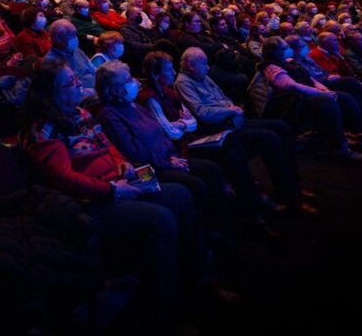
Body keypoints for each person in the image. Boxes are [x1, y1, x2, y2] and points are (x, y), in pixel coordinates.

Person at [21, 58, 230, 331]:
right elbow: (63, 179)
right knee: (161, 219)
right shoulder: (43, 129)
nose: (77, 86)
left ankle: (199, 280)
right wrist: (110, 190)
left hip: (119, 181)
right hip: (91, 202)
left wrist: (124, 163)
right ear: (51, 93)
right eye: (70, 83)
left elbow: (108, 147)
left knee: (180, 194)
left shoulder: (81, 115)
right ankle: (161, 314)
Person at [95, 60, 231, 234]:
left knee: (211, 169)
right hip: (147, 169)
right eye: (128, 80)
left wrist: (172, 156)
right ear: (114, 89)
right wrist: (168, 163)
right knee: (194, 185)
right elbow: (133, 152)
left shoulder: (134, 105)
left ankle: (223, 225)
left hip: (168, 159)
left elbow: (161, 132)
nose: (134, 82)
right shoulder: (109, 114)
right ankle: (208, 234)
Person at [173, 48, 312, 214]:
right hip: (220, 128)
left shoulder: (202, 76)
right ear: (190, 65)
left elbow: (223, 98)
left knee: (281, 127)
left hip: (233, 119)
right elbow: (203, 113)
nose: (208, 67)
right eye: (203, 64)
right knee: (269, 137)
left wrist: (231, 108)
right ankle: (288, 195)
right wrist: (230, 110)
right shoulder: (183, 83)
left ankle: (294, 183)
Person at [257, 37, 362, 161]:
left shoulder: (288, 61)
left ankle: (360, 135)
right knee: (327, 102)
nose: (288, 49)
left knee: (344, 97)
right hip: (294, 102)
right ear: (275, 51)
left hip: (309, 94)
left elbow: (309, 78)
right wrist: (319, 93)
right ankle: (341, 147)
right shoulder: (270, 67)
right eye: (285, 47)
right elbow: (291, 86)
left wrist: (323, 88)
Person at [44, 19, 97, 94]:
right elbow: (66, 92)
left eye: (75, 34)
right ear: (58, 39)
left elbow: (93, 69)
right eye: (71, 35)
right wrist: (95, 92)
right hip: (82, 97)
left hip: (96, 87)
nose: (75, 38)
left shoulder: (76, 50)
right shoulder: (50, 62)